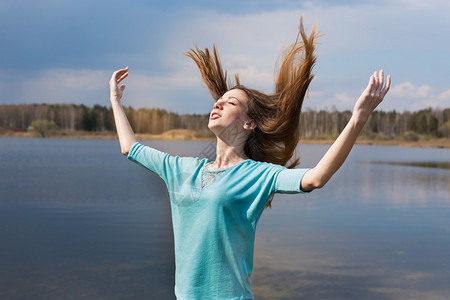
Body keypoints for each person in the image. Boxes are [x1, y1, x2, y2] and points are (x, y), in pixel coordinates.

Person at [109, 17, 390, 300]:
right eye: (219, 99)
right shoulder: (181, 169)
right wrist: (115, 101)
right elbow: (130, 147)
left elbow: (316, 178)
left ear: (249, 123)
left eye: (231, 102)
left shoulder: (258, 174)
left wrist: (358, 118)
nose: (218, 103)